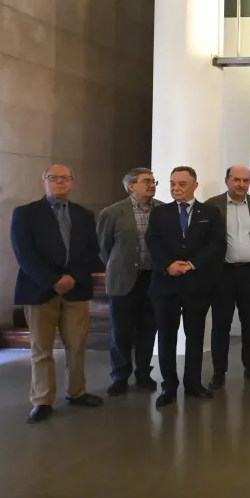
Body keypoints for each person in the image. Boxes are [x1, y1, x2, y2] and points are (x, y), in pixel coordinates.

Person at [11, 165, 104, 424]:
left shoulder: (84, 215)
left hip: (76, 289)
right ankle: (42, 400)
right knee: (41, 349)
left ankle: (77, 392)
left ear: (72, 183)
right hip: (39, 289)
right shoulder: (25, 214)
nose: (60, 182)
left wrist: (72, 277)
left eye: (65, 178)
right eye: (54, 178)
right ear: (44, 181)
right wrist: (53, 280)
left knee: (77, 346)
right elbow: (24, 253)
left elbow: (91, 251)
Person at [146, 166, 225, 407]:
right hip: (165, 284)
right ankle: (168, 386)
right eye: (172, 183)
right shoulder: (160, 213)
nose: (175, 188)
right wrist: (168, 265)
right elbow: (153, 243)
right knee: (167, 337)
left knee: (195, 335)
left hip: (196, 285)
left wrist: (191, 264)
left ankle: (193, 383)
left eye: (181, 183)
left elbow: (216, 244)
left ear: (194, 185)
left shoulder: (210, 212)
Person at [96, 167, 163, 396]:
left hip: (153, 279)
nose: (152, 185)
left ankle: (143, 373)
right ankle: (120, 376)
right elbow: (104, 248)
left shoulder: (163, 210)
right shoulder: (113, 212)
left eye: (154, 181)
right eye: (147, 181)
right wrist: (119, 266)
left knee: (148, 329)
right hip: (124, 280)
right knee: (121, 332)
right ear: (131, 186)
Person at [205, 165, 250, 388]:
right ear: (227, 180)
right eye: (237, 180)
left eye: (246, 180)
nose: (241, 184)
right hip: (222, 273)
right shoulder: (212, 205)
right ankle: (219, 371)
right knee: (221, 323)